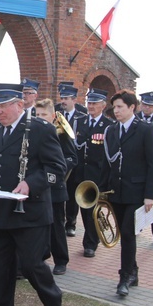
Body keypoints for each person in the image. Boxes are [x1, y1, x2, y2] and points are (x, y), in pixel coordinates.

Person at [0, 84, 67, 306]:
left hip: (31, 212)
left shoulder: (40, 129)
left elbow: (57, 170)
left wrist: (30, 184)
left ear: (19, 105)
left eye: (4, 106)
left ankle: (53, 301)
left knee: (31, 264)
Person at [100, 90, 153, 296]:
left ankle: (124, 277)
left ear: (132, 107)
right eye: (114, 107)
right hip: (116, 191)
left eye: (120, 107)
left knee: (127, 233)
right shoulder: (111, 131)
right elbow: (107, 163)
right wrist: (101, 190)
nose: (116, 111)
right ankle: (133, 270)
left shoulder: (145, 130)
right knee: (123, 234)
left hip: (137, 192)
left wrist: (150, 195)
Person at [35, 98, 77, 276]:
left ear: (53, 116)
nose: (41, 118)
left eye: (44, 115)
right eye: (37, 115)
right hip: (38, 187)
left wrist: (55, 169)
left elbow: (72, 158)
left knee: (57, 226)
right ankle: (40, 257)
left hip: (55, 187)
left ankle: (61, 260)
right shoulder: (32, 133)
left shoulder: (61, 134)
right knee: (38, 224)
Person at [73, 88, 114, 258]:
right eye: (89, 103)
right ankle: (90, 239)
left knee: (94, 210)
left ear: (103, 105)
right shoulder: (79, 122)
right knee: (83, 208)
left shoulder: (108, 125)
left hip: (97, 174)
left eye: (95, 103)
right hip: (80, 173)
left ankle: (91, 243)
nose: (91, 106)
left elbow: (108, 153)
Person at [135, 91, 153, 244]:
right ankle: (137, 226)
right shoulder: (135, 119)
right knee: (136, 198)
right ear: (140, 105)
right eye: (145, 105)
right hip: (138, 163)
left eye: (151, 105)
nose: (147, 108)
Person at [58, 81, 86, 237]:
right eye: (62, 97)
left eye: (67, 98)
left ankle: (71, 222)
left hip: (75, 161)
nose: (63, 101)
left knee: (72, 193)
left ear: (74, 100)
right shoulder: (56, 114)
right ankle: (60, 220)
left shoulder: (81, 117)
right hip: (60, 158)